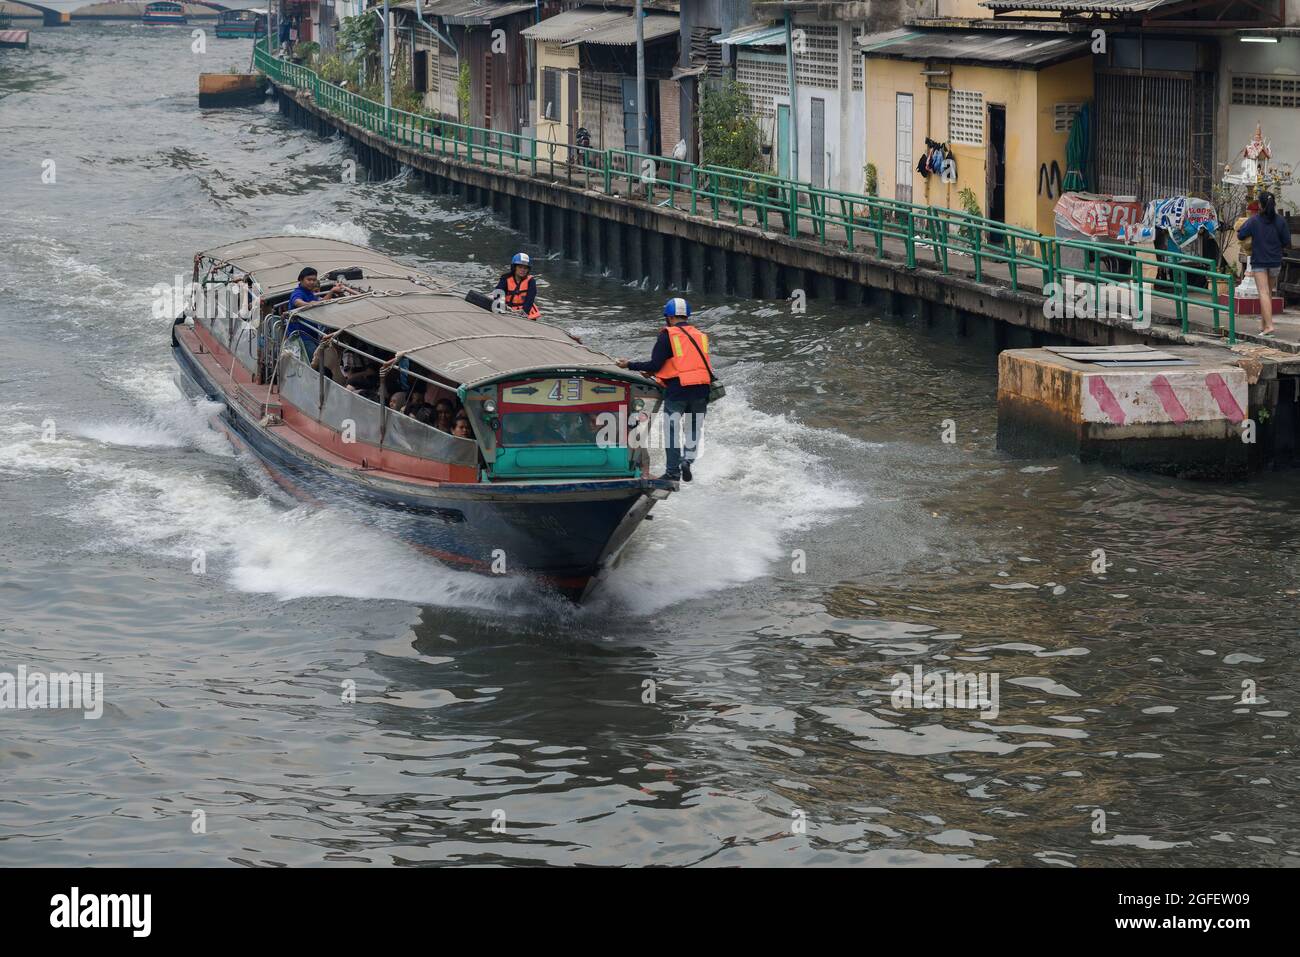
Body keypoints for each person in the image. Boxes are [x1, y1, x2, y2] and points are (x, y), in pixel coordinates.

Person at [616, 297, 714, 483]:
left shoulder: (667, 335)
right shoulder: (701, 335)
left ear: (668, 317)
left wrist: (629, 364)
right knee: (694, 428)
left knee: (672, 430)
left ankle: (672, 472)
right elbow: (689, 361)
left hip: (678, 389)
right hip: (702, 387)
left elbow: (655, 363)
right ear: (687, 315)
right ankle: (688, 460)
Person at [1237, 191, 1291, 337]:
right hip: (1275, 261)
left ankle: (1269, 327)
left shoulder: (1254, 220)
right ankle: (1263, 324)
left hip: (1259, 260)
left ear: (1260, 205)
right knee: (1268, 293)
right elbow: (1286, 241)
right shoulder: (1280, 221)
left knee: (1263, 293)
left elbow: (1240, 234)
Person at [495, 253, 540, 320]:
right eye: (520, 267)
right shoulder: (505, 279)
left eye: (525, 268)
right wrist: (502, 308)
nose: (523, 270)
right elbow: (498, 295)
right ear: (514, 267)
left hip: (526, 311)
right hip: (508, 310)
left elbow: (530, 299)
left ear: (528, 269)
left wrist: (524, 312)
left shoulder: (531, 281)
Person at [287, 267, 353, 310]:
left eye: (314, 280)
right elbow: (297, 302)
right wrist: (309, 304)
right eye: (309, 280)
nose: (312, 282)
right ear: (301, 280)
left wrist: (332, 291)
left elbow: (320, 303)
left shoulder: (309, 291)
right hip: (300, 330)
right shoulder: (298, 292)